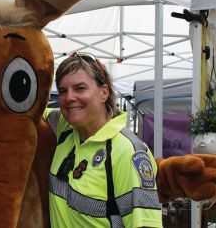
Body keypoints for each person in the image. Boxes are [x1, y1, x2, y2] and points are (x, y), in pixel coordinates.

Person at [44, 53, 162, 227]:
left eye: (80, 88)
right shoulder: (65, 128)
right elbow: (24, 112)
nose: (69, 98)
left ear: (104, 93)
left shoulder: (128, 151)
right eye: (63, 91)